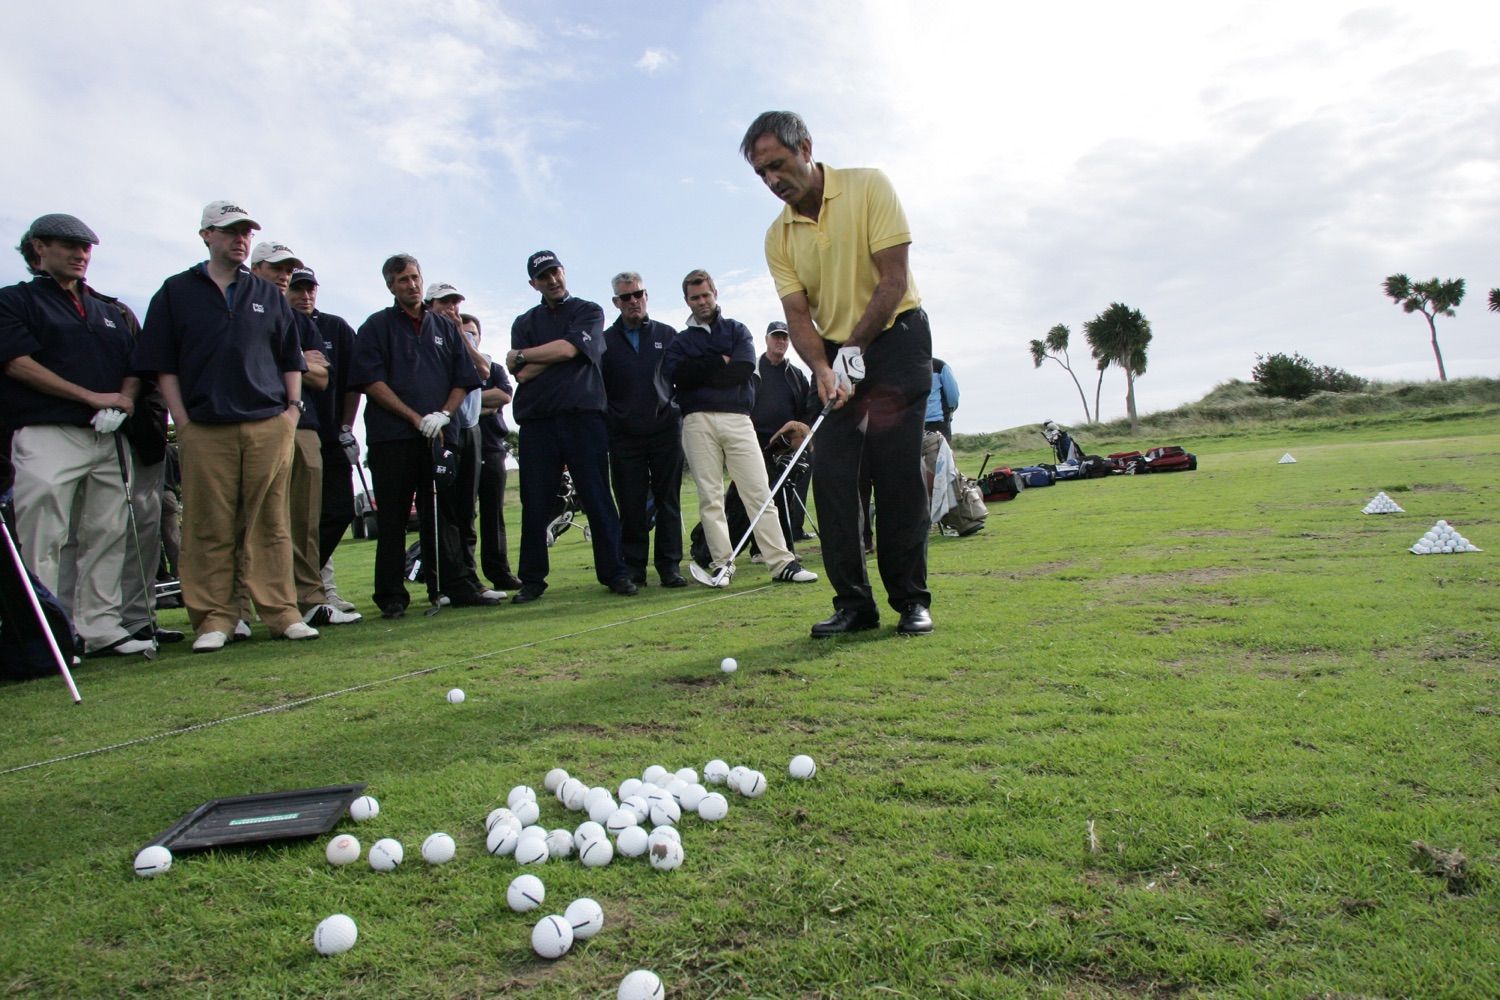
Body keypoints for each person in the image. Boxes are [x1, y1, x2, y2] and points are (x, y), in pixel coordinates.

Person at [743, 110, 934, 636]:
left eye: (778, 165)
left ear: (805, 147)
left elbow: (893, 279)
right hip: (833, 353)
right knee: (832, 479)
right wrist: (824, 367)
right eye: (762, 174)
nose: (773, 181)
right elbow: (798, 316)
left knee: (896, 474)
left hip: (896, 339)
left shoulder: (869, 186)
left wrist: (855, 348)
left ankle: (911, 601)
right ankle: (854, 604)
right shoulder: (777, 236)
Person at [133, 200, 319, 652]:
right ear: (206, 236)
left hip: (268, 422)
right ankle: (215, 618)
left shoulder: (267, 294)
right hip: (205, 426)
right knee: (208, 524)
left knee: (271, 523)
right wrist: (183, 419)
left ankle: (282, 614)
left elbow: (289, 358)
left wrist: (292, 410)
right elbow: (163, 364)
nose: (240, 239)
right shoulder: (176, 291)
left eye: (246, 232)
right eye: (231, 231)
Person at [0, 213, 153, 657]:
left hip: (108, 435)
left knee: (107, 530)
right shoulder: (16, 301)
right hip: (47, 431)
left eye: (86, 247)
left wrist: (122, 398)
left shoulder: (108, 310)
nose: (80, 254)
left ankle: (100, 626)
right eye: (68, 245)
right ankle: (45, 632)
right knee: (43, 533)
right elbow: (17, 363)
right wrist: (90, 396)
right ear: (38, 249)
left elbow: (134, 364)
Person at [346, 254, 494, 618]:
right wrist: (414, 417)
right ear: (390, 286)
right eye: (402, 281)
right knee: (394, 518)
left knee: (443, 515)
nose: (410, 285)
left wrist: (443, 414)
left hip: (440, 436)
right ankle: (392, 595)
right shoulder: (376, 326)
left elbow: (465, 378)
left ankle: (450, 585)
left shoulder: (444, 327)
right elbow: (371, 382)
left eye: (414, 277)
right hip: (392, 437)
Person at [663, 269, 816, 589]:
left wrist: (702, 369)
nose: (702, 301)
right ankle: (722, 565)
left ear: (715, 293)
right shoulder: (680, 341)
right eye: (695, 297)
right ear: (687, 301)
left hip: (737, 418)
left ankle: (782, 562)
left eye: (706, 294)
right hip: (696, 421)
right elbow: (678, 375)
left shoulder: (736, 330)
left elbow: (744, 366)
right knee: (711, 497)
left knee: (759, 491)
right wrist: (720, 362)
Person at [506, 251, 634, 604]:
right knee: (535, 502)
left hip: (584, 418)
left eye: (555, 272)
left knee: (597, 497)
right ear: (534, 283)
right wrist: (554, 354)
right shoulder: (524, 322)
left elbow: (563, 351)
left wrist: (530, 354)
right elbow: (522, 374)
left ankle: (615, 573)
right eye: (543, 276)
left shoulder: (588, 311)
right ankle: (532, 579)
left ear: (564, 272)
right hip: (538, 422)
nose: (552, 280)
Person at [248, 242, 357, 626]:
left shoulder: (311, 324)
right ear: (256, 268)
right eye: (294, 284)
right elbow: (248, 360)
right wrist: (295, 360)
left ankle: (309, 597)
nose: (299, 291)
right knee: (260, 516)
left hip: (312, 427)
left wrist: (280, 359)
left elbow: (324, 377)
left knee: (310, 518)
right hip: (256, 421)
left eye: (302, 282)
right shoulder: (244, 309)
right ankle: (250, 602)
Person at [600, 272, 685, 588]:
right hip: (624, 436)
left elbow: (681, 378)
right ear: (616, 302)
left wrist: (675, 409)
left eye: (638, 294)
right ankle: (634, 567)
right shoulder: (605, 342)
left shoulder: (667, 334)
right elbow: (600, 389)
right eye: (626, 297)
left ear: (646, 295)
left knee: (668, 501)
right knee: (631, 503)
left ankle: (670, 566)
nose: (633, 301)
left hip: (665, 431)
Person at [286, 267, 362, 614]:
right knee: (295, 516)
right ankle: (306, 590)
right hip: (288, 428)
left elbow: (350, 383)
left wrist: (346, 426)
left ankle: (311, 583)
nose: (305, 296)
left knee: (339, 509)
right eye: (297, 289)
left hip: (329, 433)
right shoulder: (279, 320)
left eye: (310, 289)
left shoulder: (334, 327)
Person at [425, 283, 503, 604]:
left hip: (467, 429)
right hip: (437, 427)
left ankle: (467, 579)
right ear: (431, 305)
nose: (451, 309)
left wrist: (461, 336)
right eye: (445, 303)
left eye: (456, 303)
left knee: (463, 513)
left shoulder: (460, 339)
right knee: (439, 513)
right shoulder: (426, 337)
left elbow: (483, 370)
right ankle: (440, 585)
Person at [464, 313, 522, 592]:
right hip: (462, 448)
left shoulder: (494, 367)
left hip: (491, 446)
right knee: (464, 515)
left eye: (472, 333)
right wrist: (481, 404)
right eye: (463, 333)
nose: (468, 337)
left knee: (493, 513)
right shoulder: (449, 365)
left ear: (479, 336)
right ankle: (466, 576)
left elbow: (503, 396)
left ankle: (500, 572)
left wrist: (469, 400)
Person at [751, 320, 817, 545]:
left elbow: (807, 410)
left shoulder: (796, 374)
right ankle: (758, 548)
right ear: (767, 339)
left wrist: (799, 438)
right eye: (776, 336)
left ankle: (785, 543)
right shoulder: (753, 370)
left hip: (788, 444)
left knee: (785, 496)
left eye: (784, 337)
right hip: (758, 443)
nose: (780, 341)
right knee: (759, 495)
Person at [926, 357, 959, 443]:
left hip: (910, 423)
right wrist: (950, 411)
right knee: (941, 455)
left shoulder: (902, 366)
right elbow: (953, 396)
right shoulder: (939, 365)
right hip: (937, 423)